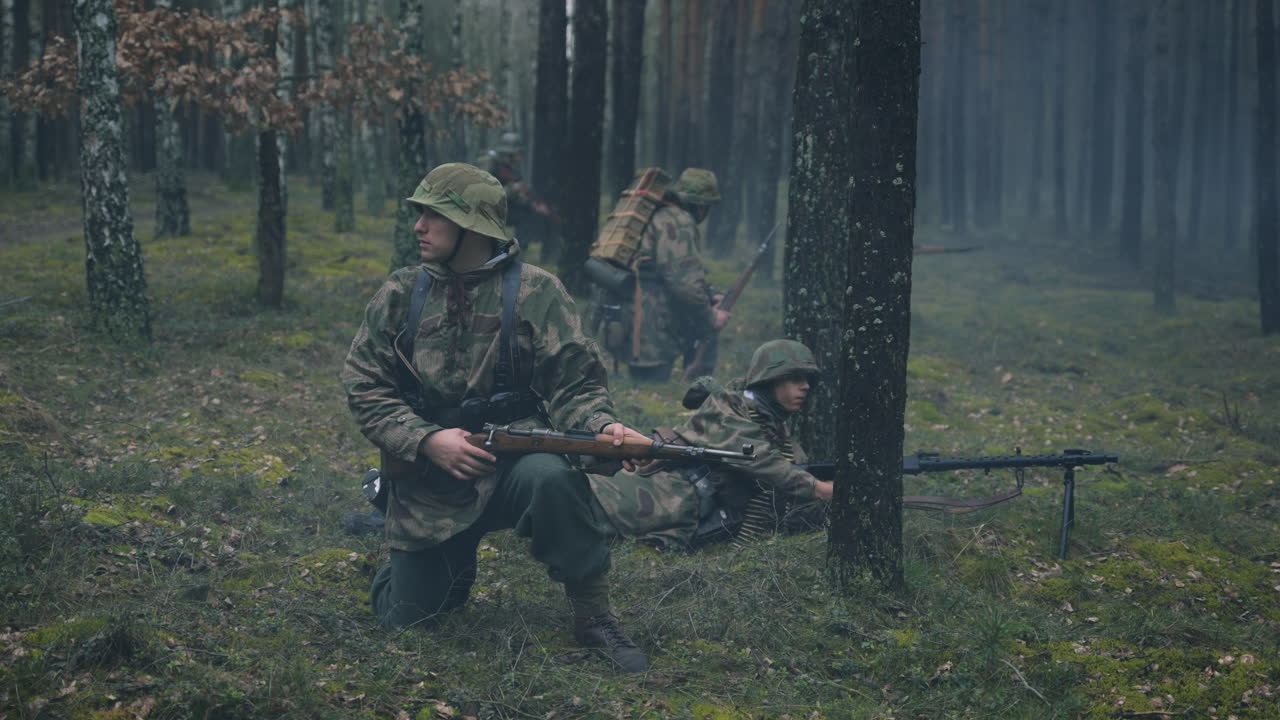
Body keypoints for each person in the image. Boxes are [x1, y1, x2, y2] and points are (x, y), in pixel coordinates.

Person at [342, 162, 650, 672]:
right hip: (431, 477)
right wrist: (424, 440)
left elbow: (574, 382)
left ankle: (595, 617)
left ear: (474, 226)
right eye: (419, 214)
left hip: (513, 462)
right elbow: (363, 385)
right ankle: (400, 530)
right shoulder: (399, 295)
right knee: (410, 619)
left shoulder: (538, 291)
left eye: (434, 216)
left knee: (553, 478)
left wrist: (601, 426)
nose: (419, 226)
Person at [588, 339, 834, 549]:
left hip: (676, 514)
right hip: (625, 498)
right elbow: (760, 459)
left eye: (808, 379)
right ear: (769, 380)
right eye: (794, 378)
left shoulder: (774, 428)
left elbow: (787, 478)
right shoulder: (727, 409)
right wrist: (820, 489)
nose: (805, 386)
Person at [605, 168, 730, 382]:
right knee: (651, 387)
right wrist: (711, 318)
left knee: (640, 388)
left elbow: (670, 269)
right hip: (652, 321)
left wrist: (709, 294)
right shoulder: (678, 221)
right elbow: (685, 284)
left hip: (629, 312)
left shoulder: (654, 212)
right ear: (702, 206)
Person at [475, 132, 560, 260]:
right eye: (517, 153)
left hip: (500, 208)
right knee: (525, 216)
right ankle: (515, 255)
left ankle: (524, 253)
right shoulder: (490, 164)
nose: (519, 156)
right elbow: (483, 193)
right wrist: (511, 189)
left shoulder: (509, 169)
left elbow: (515, 197)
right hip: (485, 210)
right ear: (509, 153)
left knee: (528, 213)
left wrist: (532, 204)